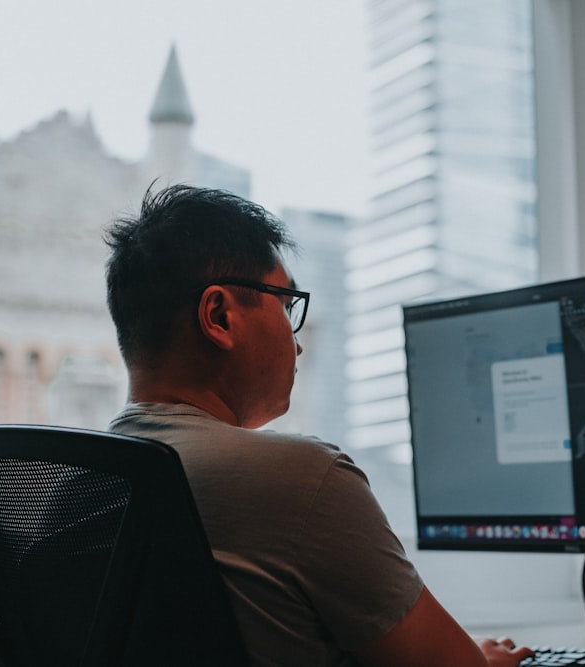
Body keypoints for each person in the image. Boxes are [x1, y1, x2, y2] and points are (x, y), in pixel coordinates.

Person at [103, 184, 534, 667]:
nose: (298, 344)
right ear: (220, 316)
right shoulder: (303, 478)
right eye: (286, 305)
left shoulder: (70, 483)